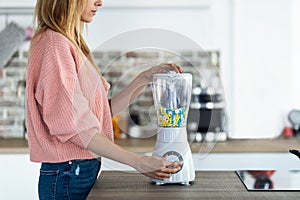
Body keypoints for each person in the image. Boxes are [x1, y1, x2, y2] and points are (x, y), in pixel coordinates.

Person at [26, 0, 183, 199]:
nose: (99, 2)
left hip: (76, 171)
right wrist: (138, 162)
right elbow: (75, 126)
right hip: (69, 173)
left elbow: (98, 115)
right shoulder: (55, 44)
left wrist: (144, 78)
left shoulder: (69, 42)